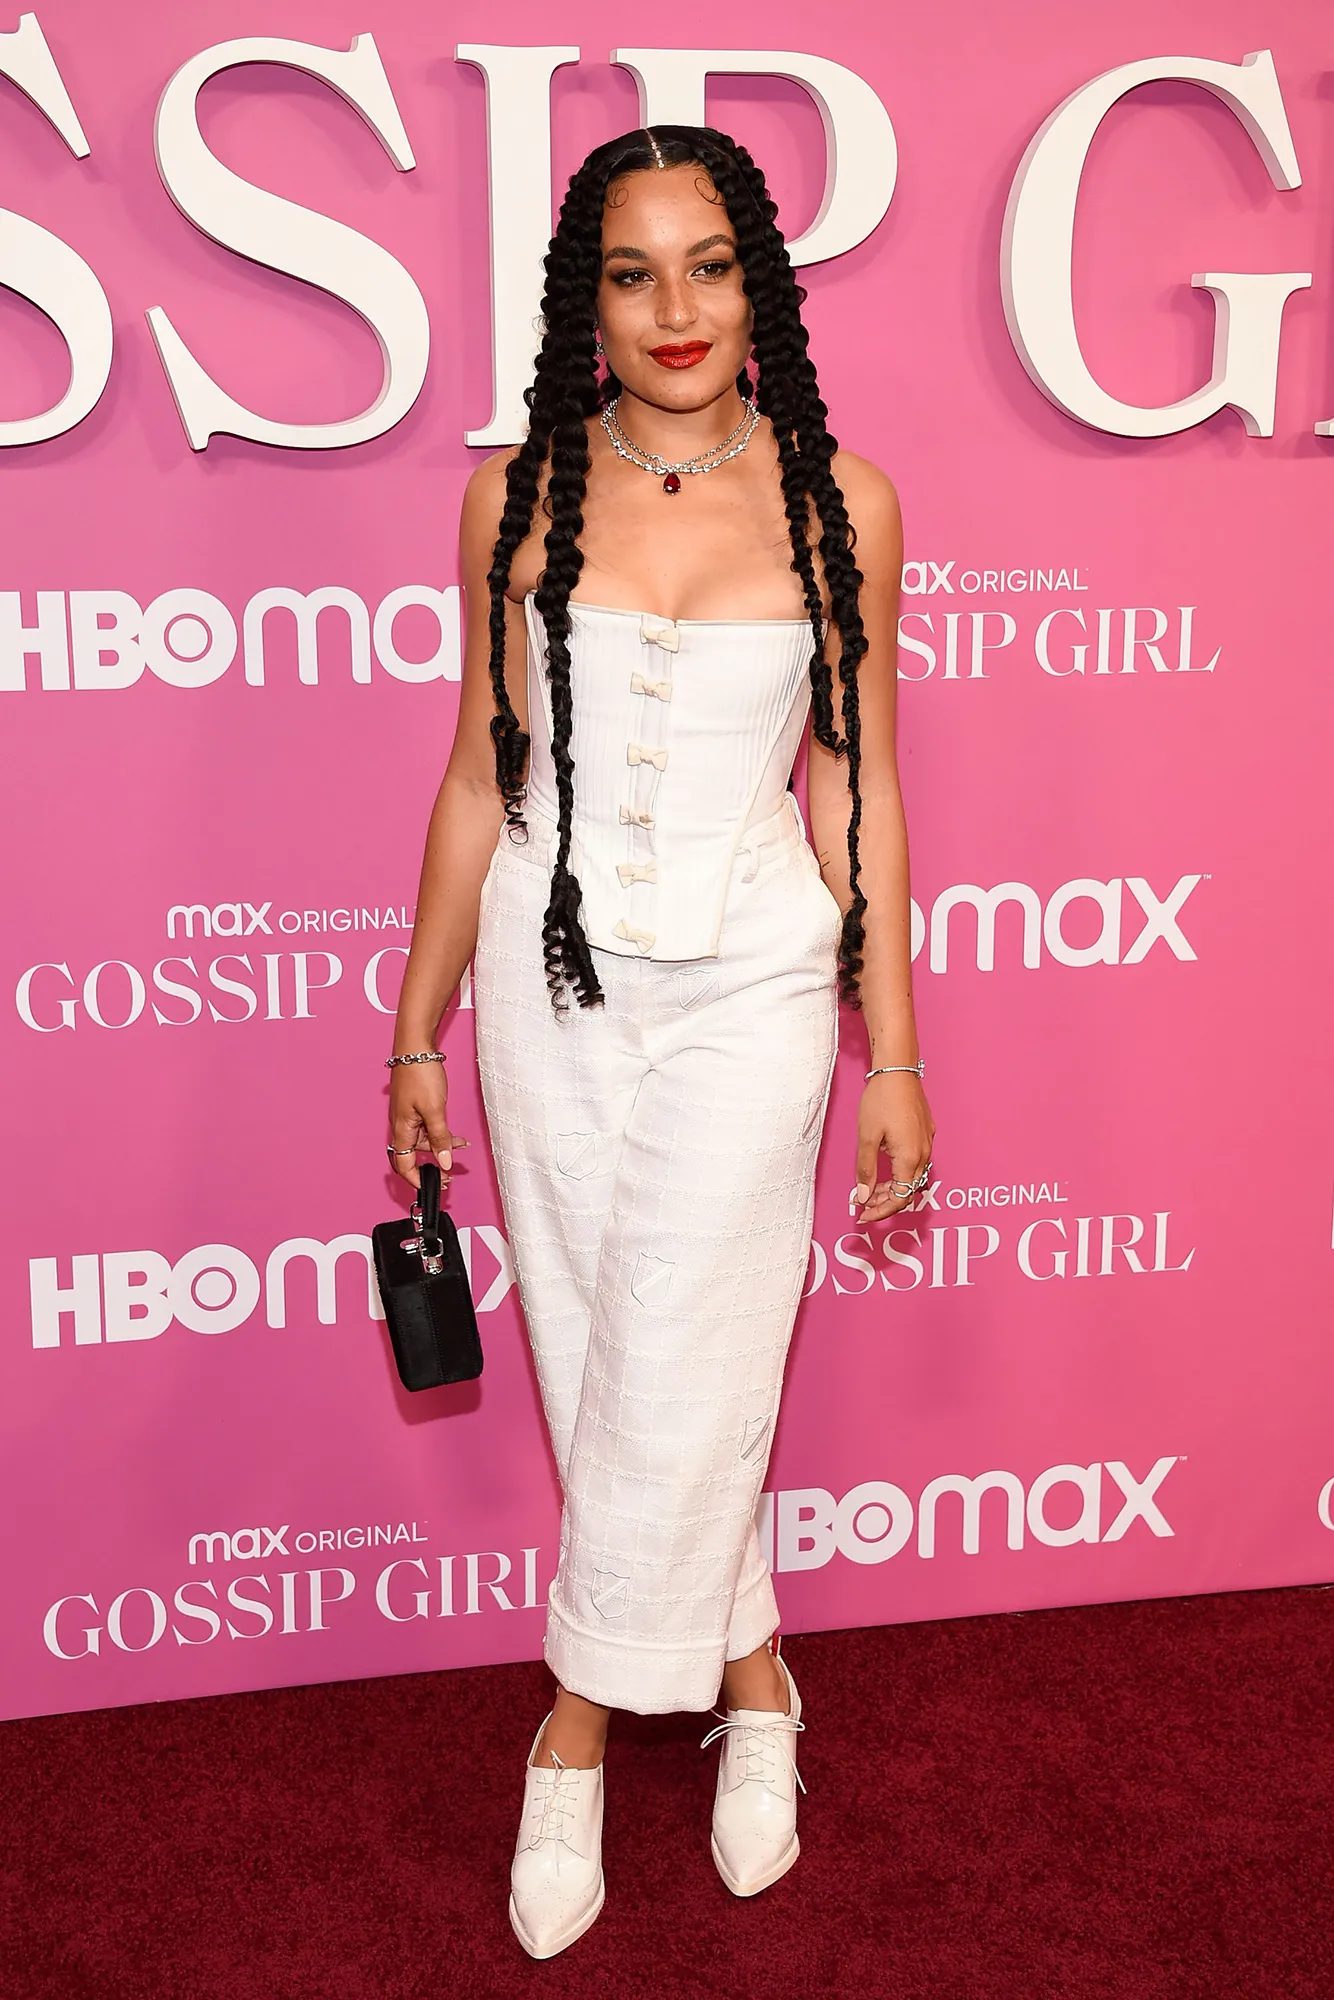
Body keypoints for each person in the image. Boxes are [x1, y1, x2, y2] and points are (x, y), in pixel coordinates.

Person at [386, 124, 933, 1959]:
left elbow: (856, 782)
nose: (673, 308)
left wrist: (894, 1048)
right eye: (632, 273)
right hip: (547, 983)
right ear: (585, 301)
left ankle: (575, 1724)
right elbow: (478, 776)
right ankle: (753, 1675)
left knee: (693, 1328)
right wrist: (413, 1029)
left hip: (757, 979)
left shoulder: (842, 501)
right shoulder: (513, 496)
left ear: (759, 288)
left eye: (708, 266)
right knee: (598, 1336)